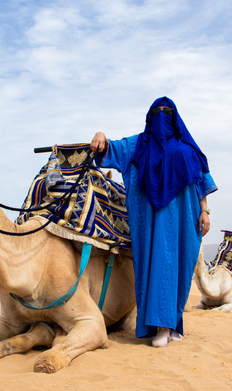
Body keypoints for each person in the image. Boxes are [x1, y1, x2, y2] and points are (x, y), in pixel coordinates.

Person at [90, 96, 217, 348]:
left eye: (166, 112)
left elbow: (202, 180)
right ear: (149, 118)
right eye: (156, 112)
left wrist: (205, 211)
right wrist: (101, 135)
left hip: (182, 219)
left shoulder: (187, 149)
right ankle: (160, 327)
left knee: (178, 266)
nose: (161, 116)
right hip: (149, 221)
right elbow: (110, 149)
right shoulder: (139, 145)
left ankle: (172, 324)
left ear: (174, 116)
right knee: (155, 265)